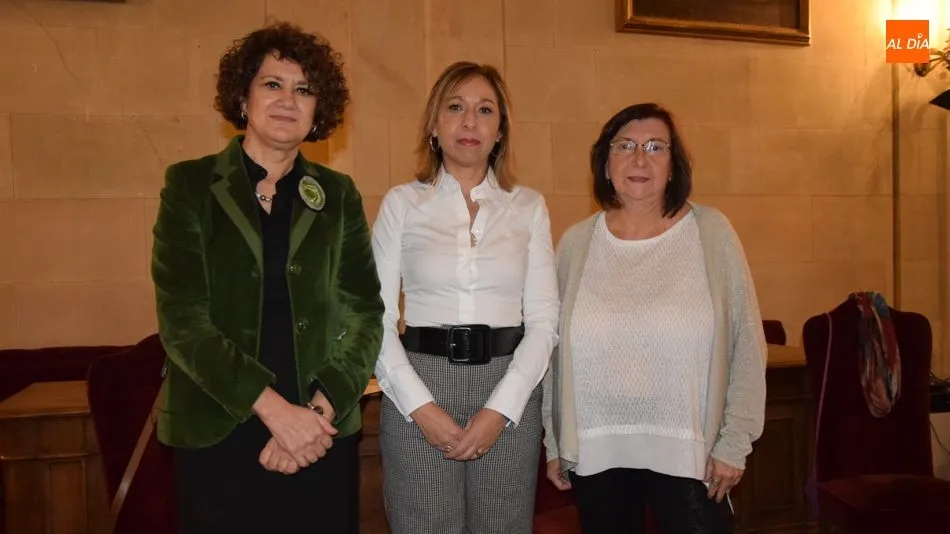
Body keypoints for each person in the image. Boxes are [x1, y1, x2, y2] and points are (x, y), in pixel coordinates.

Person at [150, 22, 383, 534]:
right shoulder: (190, 185)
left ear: (319, 109)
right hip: (219, 429)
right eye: (272, 84)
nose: (287, 100)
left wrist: (316, 415)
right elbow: (183, 320)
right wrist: (277, 413)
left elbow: (365, 313)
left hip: (320, 433)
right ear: (242, 96)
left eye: (304, 89)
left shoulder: (339, 194)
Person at [541, 102, 768, 534]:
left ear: (673, 165)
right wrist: (555, 441)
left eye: (654, 147)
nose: (639, 159)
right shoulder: (575, 244)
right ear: (605, 164)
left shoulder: (712, 233)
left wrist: (734, 443)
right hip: (596, 452)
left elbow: (746, 344)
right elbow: (554, 356)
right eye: (624, 145)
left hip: (691, 454)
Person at [371, 61, 560, 534]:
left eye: (484, 110)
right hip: (418, 383)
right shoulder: (402, 203)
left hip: (508, 386)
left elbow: (543, 320)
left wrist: (501, 408)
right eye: (455, 108)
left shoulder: (529, 207)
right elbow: (374, 317)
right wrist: (420, 408)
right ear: (435, 126)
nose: (470, 122)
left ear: (501, 131)